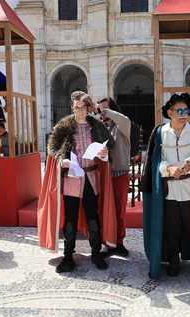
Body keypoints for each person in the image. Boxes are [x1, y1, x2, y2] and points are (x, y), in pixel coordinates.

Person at [140, 93, 190, 279]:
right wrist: (169, 168)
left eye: (186, 111)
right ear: (170, 112)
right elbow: (154, 161)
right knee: (171, 229)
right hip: (168, 191)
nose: (183, 114)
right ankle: (174, 262)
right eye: (179, 111)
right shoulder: (159, 132)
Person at [37, 91, 117, 273]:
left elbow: (108, 150)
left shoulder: (98, 126)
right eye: (76, 108)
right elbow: (54, 152)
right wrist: (61, 160)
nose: (80, 111)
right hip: (71, 178)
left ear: (88, 108)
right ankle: (68, 257)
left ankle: (96, 254)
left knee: (92, 215)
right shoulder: (63, 127)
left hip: (91, 178)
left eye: (83, 108)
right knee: (70, 217)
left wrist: (104, 155)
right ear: (72, 108)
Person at [96, 97, 131, 257]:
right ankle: (107, 243)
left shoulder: (122, 125)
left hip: (119, 173)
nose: (102, 113)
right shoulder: (99, 128)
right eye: (100, 109)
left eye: (105, 109)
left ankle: (119, 242)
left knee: (119, 211)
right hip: (103, 174)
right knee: (104, 210)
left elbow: (123, 119)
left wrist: (105, 111)